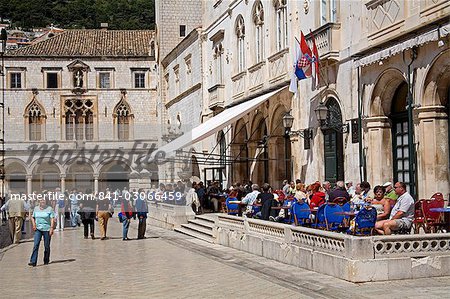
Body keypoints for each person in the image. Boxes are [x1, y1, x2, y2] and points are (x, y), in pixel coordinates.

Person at [29, 198, 55, 267]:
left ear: (46, 201)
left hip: (47, 229)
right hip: (38, 229)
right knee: (36, 245)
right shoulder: (36, 208)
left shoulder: (49, 209)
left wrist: (51, 228)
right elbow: (32, 217)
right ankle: (33, 261)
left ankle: (46, 259)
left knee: (46, 246)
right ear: (39, 201)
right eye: (41, 200)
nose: (43, 201)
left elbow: (52, 219)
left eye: (44, 200)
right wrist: (34, 224)